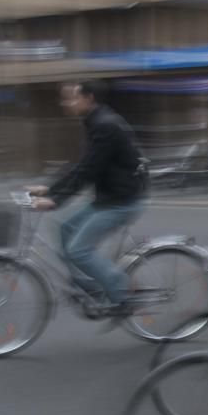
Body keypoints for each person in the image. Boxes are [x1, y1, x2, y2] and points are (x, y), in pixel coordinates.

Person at [27, 79, 147, 314]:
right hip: (109, 198)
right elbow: (83, 165)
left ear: (88, 98)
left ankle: (121, 293)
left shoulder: (105, 125)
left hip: (122, 202)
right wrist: (50, 189)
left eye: (71, 97)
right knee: (65, 229)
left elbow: (88, 170)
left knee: (78, 250)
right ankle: (90, 285)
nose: (65, 103)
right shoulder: (96, 121)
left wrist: (56, 199)